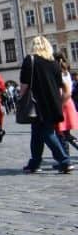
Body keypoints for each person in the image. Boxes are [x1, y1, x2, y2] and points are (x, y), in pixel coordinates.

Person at [20, 36, 73, 173]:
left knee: (47, 133)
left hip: (38, 103)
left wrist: (20, 100)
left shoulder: (30, 60)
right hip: (53, 102)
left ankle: (65, 161)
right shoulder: (54, 63)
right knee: (37, 133)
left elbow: (24, 86)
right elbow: (60, 85)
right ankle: (35, 163)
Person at [54, 53, 78, 155]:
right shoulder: (66, 72)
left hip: (63, 103)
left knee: (61, 133)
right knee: (64, 133)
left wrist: (59, 105)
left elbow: (64, 91)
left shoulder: (60, 73)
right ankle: (65, 158)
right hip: (68, 103)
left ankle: (65, 159)